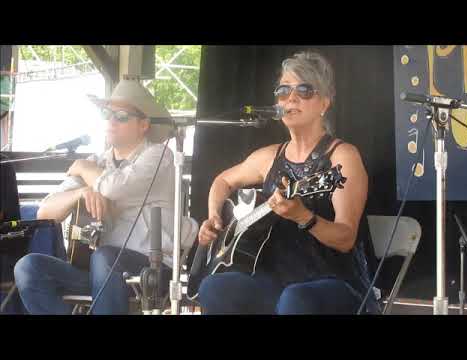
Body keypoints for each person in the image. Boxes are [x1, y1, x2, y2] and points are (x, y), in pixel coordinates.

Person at [197, 50, 380, 314]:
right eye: (283, 91)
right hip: (278, 281)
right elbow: (222, 181)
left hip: (336, 282)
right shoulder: (270, 156)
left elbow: (345, 237)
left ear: (325, 103)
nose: (291, 97)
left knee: (295, 300)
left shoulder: (341, 156)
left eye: (304, 90)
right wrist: (214, 217)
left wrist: (304, 217)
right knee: (214, 288)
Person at [14, 79, 194, 314]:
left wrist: (82, 167)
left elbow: (114, 187)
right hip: (100, 271)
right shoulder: (97, 162)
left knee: (105, 257)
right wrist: (81, 191)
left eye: (120, 116)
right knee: (28, 268)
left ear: (144, 125)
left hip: (151, 271)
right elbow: (45, 212)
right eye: (107, 113)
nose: (110, 121)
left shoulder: (159, 155)